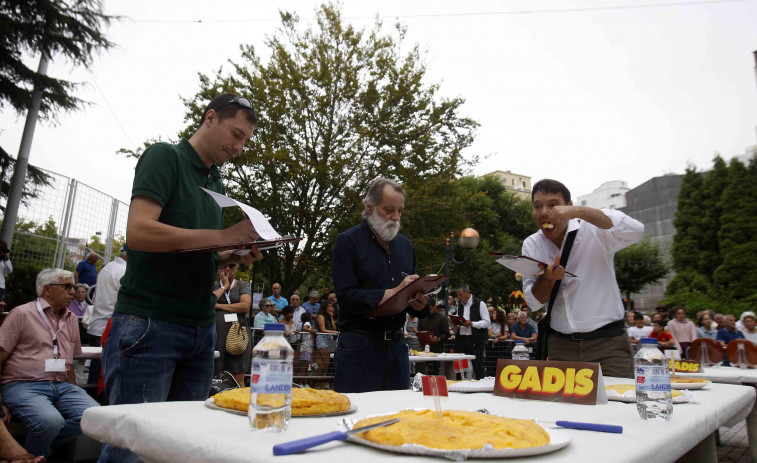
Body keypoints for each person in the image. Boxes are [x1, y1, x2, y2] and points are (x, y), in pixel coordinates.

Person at [100, 93, 262, 462]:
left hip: (201, 328)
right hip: (150, 323)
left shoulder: (215, 183)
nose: (238, 147)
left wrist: (235, 252)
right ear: (209, 118)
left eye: (245, 141)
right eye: (235, 134)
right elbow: (139, 233)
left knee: (183, 447)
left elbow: (196, 248)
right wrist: (225, 237)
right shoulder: (165, 156)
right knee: (131, 449)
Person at [521, 179, 644, 378]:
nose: (544, 212)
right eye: (537, 206)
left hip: (607, 344)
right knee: (563, 408)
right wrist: (549, 279)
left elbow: (636, 230)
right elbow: (533, 302)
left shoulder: (596, 231)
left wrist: (580, 212)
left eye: (553, 205)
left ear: (569, 207)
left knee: (617, 405)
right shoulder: (532, 245)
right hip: (561, 348)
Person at [331, 177, 429, 392]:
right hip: (360, 345)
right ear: (369, 207)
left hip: (397, 347)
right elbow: (346, 297)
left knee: (397, 417)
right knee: (359, 419)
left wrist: (419, 303)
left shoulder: (405, 246)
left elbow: (409, 297)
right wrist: (393, 293)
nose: (395, 217)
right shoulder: (347, 241)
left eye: (400, 211)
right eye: (389, 209)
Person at [0, 269, 99, 457]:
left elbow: (68, 362)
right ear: (47, 290)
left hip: (61, 385)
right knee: (50, 422)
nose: (74, 291)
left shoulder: (71, 319)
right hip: (23, 384)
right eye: (67, 286)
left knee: (95, 417)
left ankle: (29, 451)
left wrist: (74, 390)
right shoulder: (21, 314)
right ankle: (34, 452)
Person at [86, 244, 127, 392]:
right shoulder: (123, 271)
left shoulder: (110, 267)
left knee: (95, 375)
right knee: (101, 378)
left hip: (99, 324)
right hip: (107, 327)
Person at [212, 263, 252, 386]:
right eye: (224, 266)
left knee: (238, 375)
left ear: (236, 268)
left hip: (238, 336)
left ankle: (239, 402)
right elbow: (209, 302)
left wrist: (218, 306)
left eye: (231, 266)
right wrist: (224, 286)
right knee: (216, 376)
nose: (228, 268)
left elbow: (245, 306)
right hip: (217, 335)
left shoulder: (242, 285)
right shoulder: (213, 285)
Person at [452, 285, 490, 380]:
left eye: (461, 295)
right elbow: (459, 318)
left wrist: (472, 324)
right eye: (458, 295)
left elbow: (487, 322)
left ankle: (481, 387)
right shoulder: (460, 305)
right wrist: (457, 325)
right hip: (461, 338)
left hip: (475, 340)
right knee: (459, 367)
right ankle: (459, 385)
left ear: (468, 292)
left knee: (478, 366)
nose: (459, 297)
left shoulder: (480, 303)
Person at [416, 298, 450, 374]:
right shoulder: (422, 317)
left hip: (437, 349)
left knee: (436, 371)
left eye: (430, 309)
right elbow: (420, 330)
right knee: (421, 371)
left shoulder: (442, 318)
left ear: (435, 307)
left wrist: (438, 338)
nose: (429, 311)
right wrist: (417, 333)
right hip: (424, 348)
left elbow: (447, 333)